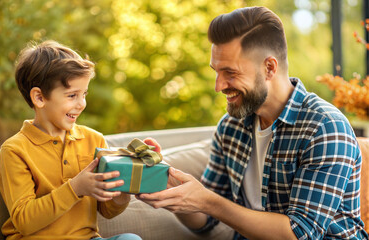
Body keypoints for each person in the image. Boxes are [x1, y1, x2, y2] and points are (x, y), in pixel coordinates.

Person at [137, 6, 369, 240]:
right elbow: (206, 220)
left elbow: (299, 234)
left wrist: (208, 201)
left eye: (230, 72)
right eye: (216, 72)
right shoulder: (231, 127)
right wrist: (171, 190)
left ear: (269, 67)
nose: (218, 86)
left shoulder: (324, 127)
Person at [0, 40, 143, 240]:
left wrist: (123, 191)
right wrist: (75, 188)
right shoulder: (15, 149)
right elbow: (24, 221)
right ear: (39, 98)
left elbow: (107, 211)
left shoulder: (94, 140)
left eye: (84, 94)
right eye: (72, 95)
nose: (81, 104)